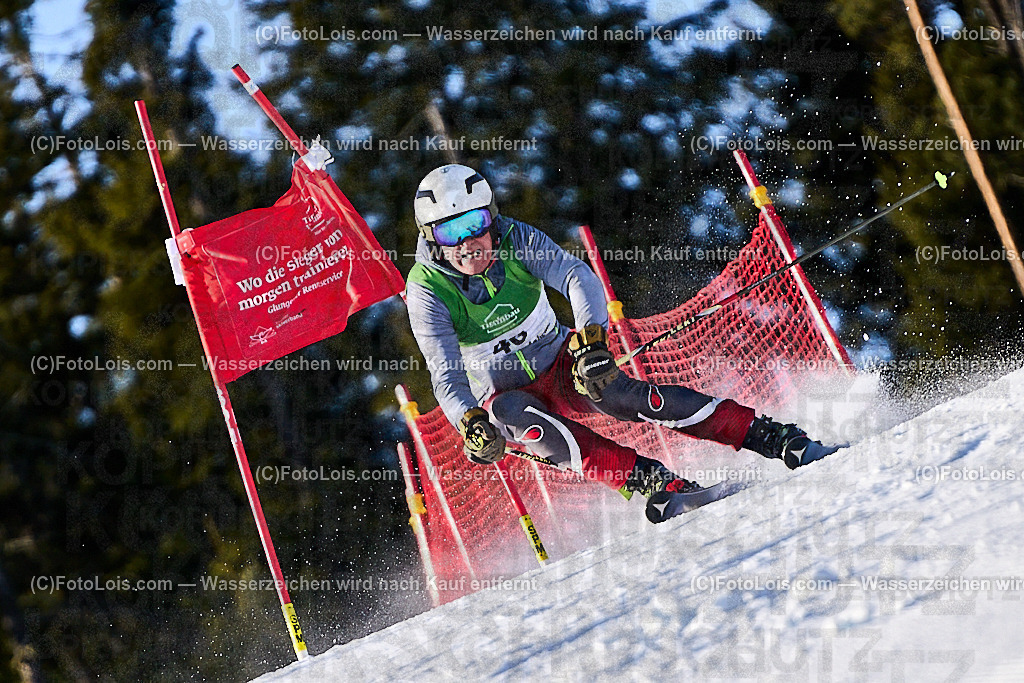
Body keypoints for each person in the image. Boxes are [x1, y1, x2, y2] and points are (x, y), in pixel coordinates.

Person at [405, 164, 837, 522]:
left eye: (475, 224)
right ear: (430, 239)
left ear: (493, 218)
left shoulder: (516, 239)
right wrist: (470, 423)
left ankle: (771, 436)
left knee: (617, 393)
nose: (467, 243)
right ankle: (655, 482)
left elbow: (576, 277)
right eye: (449, 233)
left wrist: (592, 341)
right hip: (504, 393)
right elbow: (446, 375)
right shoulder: (427, 291)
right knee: (516, 417)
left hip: (560, 361)